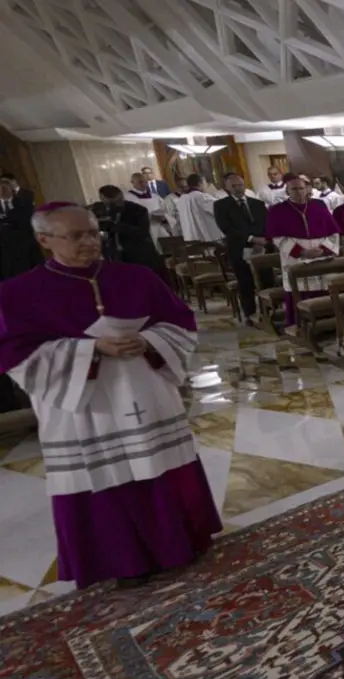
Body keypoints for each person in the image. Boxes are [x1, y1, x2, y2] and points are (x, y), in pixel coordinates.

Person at [0, 202, 222, 588]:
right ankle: (124, 561)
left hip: (144, 389)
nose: (89, 242)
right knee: (106, 478)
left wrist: (149, 339)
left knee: (161, 467)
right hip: (84, 408)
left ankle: (184, 542)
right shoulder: (16, 294)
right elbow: (15, 354)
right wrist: (91, 350)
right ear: (44, 240)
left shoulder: (136, 277)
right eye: (76, 236)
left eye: (92, 233)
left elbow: (180, 322)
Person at [266, 174, 340, 326]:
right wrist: (301, 252)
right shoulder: (277, 210)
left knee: (323, 288)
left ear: (307, 189)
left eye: (301, 188)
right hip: (295, 257)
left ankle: (328, 324)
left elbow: (333, 231)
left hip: (321, 255)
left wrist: (324, 249)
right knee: (298, 289)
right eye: (294, 189)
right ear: (287, 191)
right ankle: (300, 325)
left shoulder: (319, 205)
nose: (299, 192)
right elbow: (277, 238)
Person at [213, 172, 272, 322]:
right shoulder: (221, 205)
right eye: (234, 186)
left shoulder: (257, 203)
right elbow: (227, 228)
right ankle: (250, 314)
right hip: (239, 248)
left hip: (262, 247)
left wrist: (264, 239)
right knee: (245, 282)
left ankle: (271, 312)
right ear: (227, 187)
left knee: (267, 279)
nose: (238, 189)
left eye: (240, 185)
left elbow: (266, 223)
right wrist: (252, 238)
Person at [90, 185, 167, 279]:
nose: (111, 205)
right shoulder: (102, 211)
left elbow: (142, 232)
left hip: (139, 256)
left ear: (121, 196)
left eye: (116, 201)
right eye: (106, 202)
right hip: (116, 258)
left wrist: (115, 226)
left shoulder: (138, 210)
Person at [0, 177, 43, 280]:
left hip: (27, 250)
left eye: (5, 185)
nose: (3, 189)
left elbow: (27, 218)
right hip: (4, 254)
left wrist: (17, 188)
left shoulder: (24, 200)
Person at [125, 172, 169, 246]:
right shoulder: (127, 197)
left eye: (145, 182)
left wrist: (164, 218)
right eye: (140, 182)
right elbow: (129, 216)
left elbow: (165, 210)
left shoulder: (155, 196)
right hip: (143, 230)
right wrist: (149, 217)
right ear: (132, 182)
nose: (144, 184)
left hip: (158, 226)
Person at [176, 173, 221, 243]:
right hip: (209, 237)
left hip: (191, 238)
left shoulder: (182, 199)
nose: (206, 185)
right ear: (200, 183)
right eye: (205, 182)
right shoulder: (202, 197)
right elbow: (220, 210)